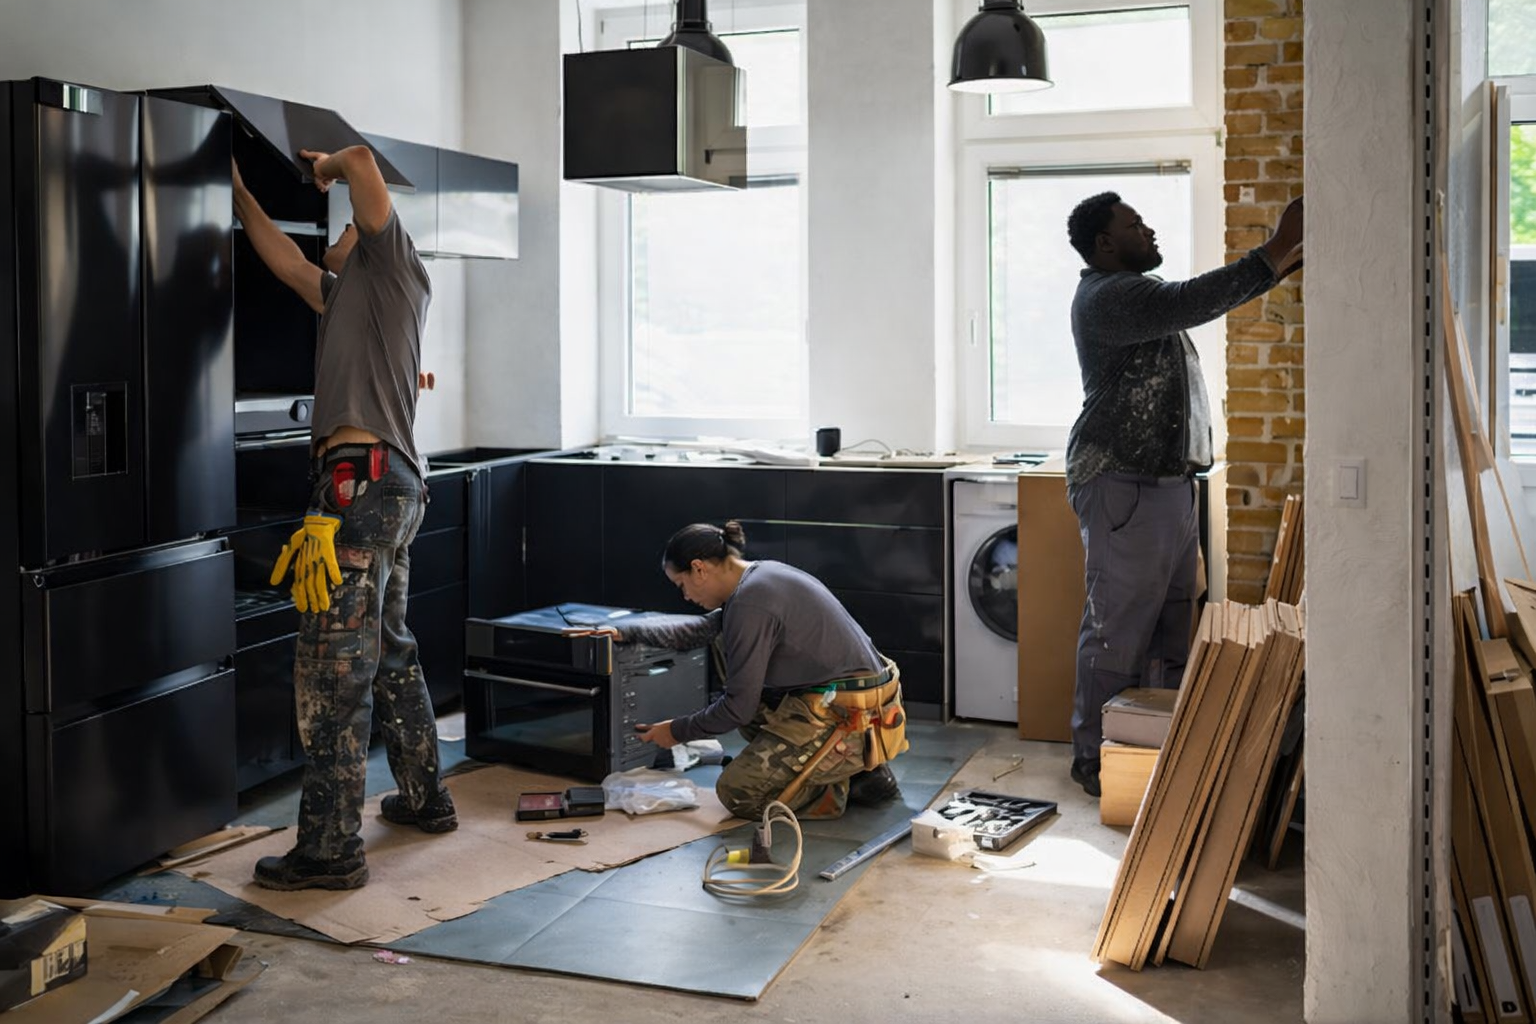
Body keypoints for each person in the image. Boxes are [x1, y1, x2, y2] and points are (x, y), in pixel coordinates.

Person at [233, 145, 455, 890]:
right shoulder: (342, 295)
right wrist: (233, 191)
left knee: (334, 675)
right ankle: (426, 799)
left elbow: (363, 160)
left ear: (368, 231)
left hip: (357, 491)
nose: (331, 238)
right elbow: (283, 261)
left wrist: (330, 167)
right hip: (383, 487)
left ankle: (330, 849)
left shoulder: (393, 266)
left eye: (344, 226)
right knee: (388, 653)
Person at [1062, 191, 1303, 799]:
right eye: (1134, 224)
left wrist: (1286, 258)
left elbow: (1200, 300)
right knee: (1118, 630)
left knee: (1174, 629)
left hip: (1167, 486)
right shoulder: (1110, 297)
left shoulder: (1134, 297)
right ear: (1106, 245)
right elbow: (1193, 301)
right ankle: (1093, 757)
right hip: (1123, 482)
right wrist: (1274, 250)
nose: (1148, 228)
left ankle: (1151, 745)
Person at [620, 521, 909, 820]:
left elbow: (737, 709)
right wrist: (625, 632)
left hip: (851, 719)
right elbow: (703, 629)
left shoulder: (751, 603)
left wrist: (676, 731)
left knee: (738, 793)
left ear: (699, 568)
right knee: (749, 694)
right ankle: (856, 770)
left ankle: (841, 783)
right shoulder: (759, 576)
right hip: (860, 703)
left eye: (682, 585)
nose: (686, 597)